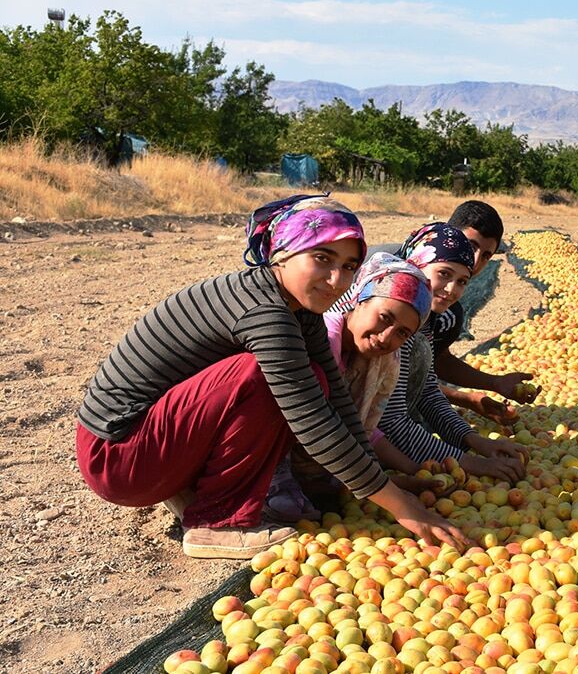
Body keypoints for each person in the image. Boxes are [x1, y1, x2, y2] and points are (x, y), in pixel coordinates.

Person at [76, 195, 469, 559]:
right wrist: (403, 508)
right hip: (118, 456)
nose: (336, 279)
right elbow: (313, 421)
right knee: (265, 376)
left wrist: (385, 484)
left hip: (154, 445)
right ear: (282, 253)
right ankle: (216, 522)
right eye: (322, 258)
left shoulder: (301, 312)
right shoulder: (267, 312)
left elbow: (338, 404)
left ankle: (195, 492)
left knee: (313, 376)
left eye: (348, 266)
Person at [373, 222, 528, 482]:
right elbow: (391, 421)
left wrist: (474, 441)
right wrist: (473, 464)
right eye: (444, 274)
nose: (451, 290)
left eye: (462, 281)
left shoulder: (422, 318)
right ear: (417, 263)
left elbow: (427, 390)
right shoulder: (388, 313)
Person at [367, 200, 538, 425]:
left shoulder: (442, 300)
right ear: (448, 235)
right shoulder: (390, 283)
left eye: (486, 255)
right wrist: (465, 400)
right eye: (471, 245)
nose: (475, 261)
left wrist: (493, 384)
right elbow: (391, 371)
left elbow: (434, 366)